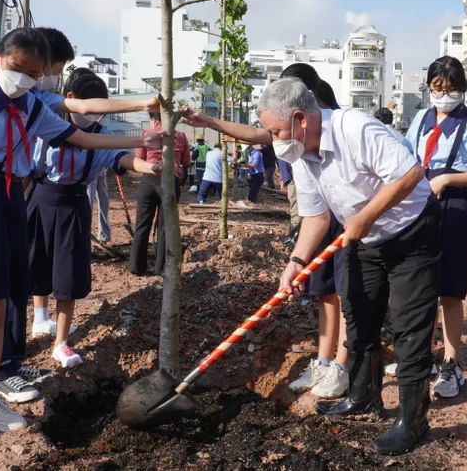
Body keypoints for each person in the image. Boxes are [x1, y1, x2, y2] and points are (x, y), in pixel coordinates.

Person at [0, 28, 160, 453]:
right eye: (18, 69)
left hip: (5, 199)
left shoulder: (32, 105)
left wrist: (139, 140)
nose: (25, 79)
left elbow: (80, 137)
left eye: (35, 74)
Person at [259, 77, 439, 455]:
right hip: (363, 237)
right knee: (358, 312)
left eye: (276, 130)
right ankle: (363, 395)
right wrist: (295, 261)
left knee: (408, 325)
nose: (273, 139)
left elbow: (411, 174)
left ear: (299, 119)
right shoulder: (301, 154)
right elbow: (316, 217)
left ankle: (412, 419)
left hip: (412, 231)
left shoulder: (354, 128)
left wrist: (366, 216)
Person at [181, 65, 351, 401]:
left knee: (345, 292)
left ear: (306, 101)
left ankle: (343, 366)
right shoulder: (284, 130)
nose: (274, 136)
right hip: (314, 211)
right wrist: (211, 122)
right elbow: (254, 134)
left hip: (345, 215)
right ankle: (323, 359)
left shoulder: (338, 127)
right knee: (323, 290)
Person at [28, 72, 160, 368]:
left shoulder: (105, 135)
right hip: (42, 196)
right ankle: (40, 319)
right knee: (37, 262)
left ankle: (61, 342)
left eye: (102, 108)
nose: (96, 114)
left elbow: (123, 158)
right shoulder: (49, 119)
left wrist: (151, 168)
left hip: (74, 203)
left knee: (68, 274)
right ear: (73, 101)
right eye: (93, 106)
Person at [397, 56, 467, 399]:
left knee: (450, 287)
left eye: (451, 89)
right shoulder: (422, 118)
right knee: (420, 283)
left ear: (463, 89)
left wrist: (449, 178)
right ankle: (421, 356)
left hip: (453, 203)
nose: (443, 95)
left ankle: (451, 362)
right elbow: (406, 156)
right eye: (437, 88)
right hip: (419, 198)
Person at [130, 112, 190, 276]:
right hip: (171, 180)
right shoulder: (180, 136)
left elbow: (139, 158)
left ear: (153, 119)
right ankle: (161, 268)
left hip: (149, 178)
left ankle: (137, 267)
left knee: (142, 224)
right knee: (165, 226)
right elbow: (186, 162)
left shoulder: (146, 134)